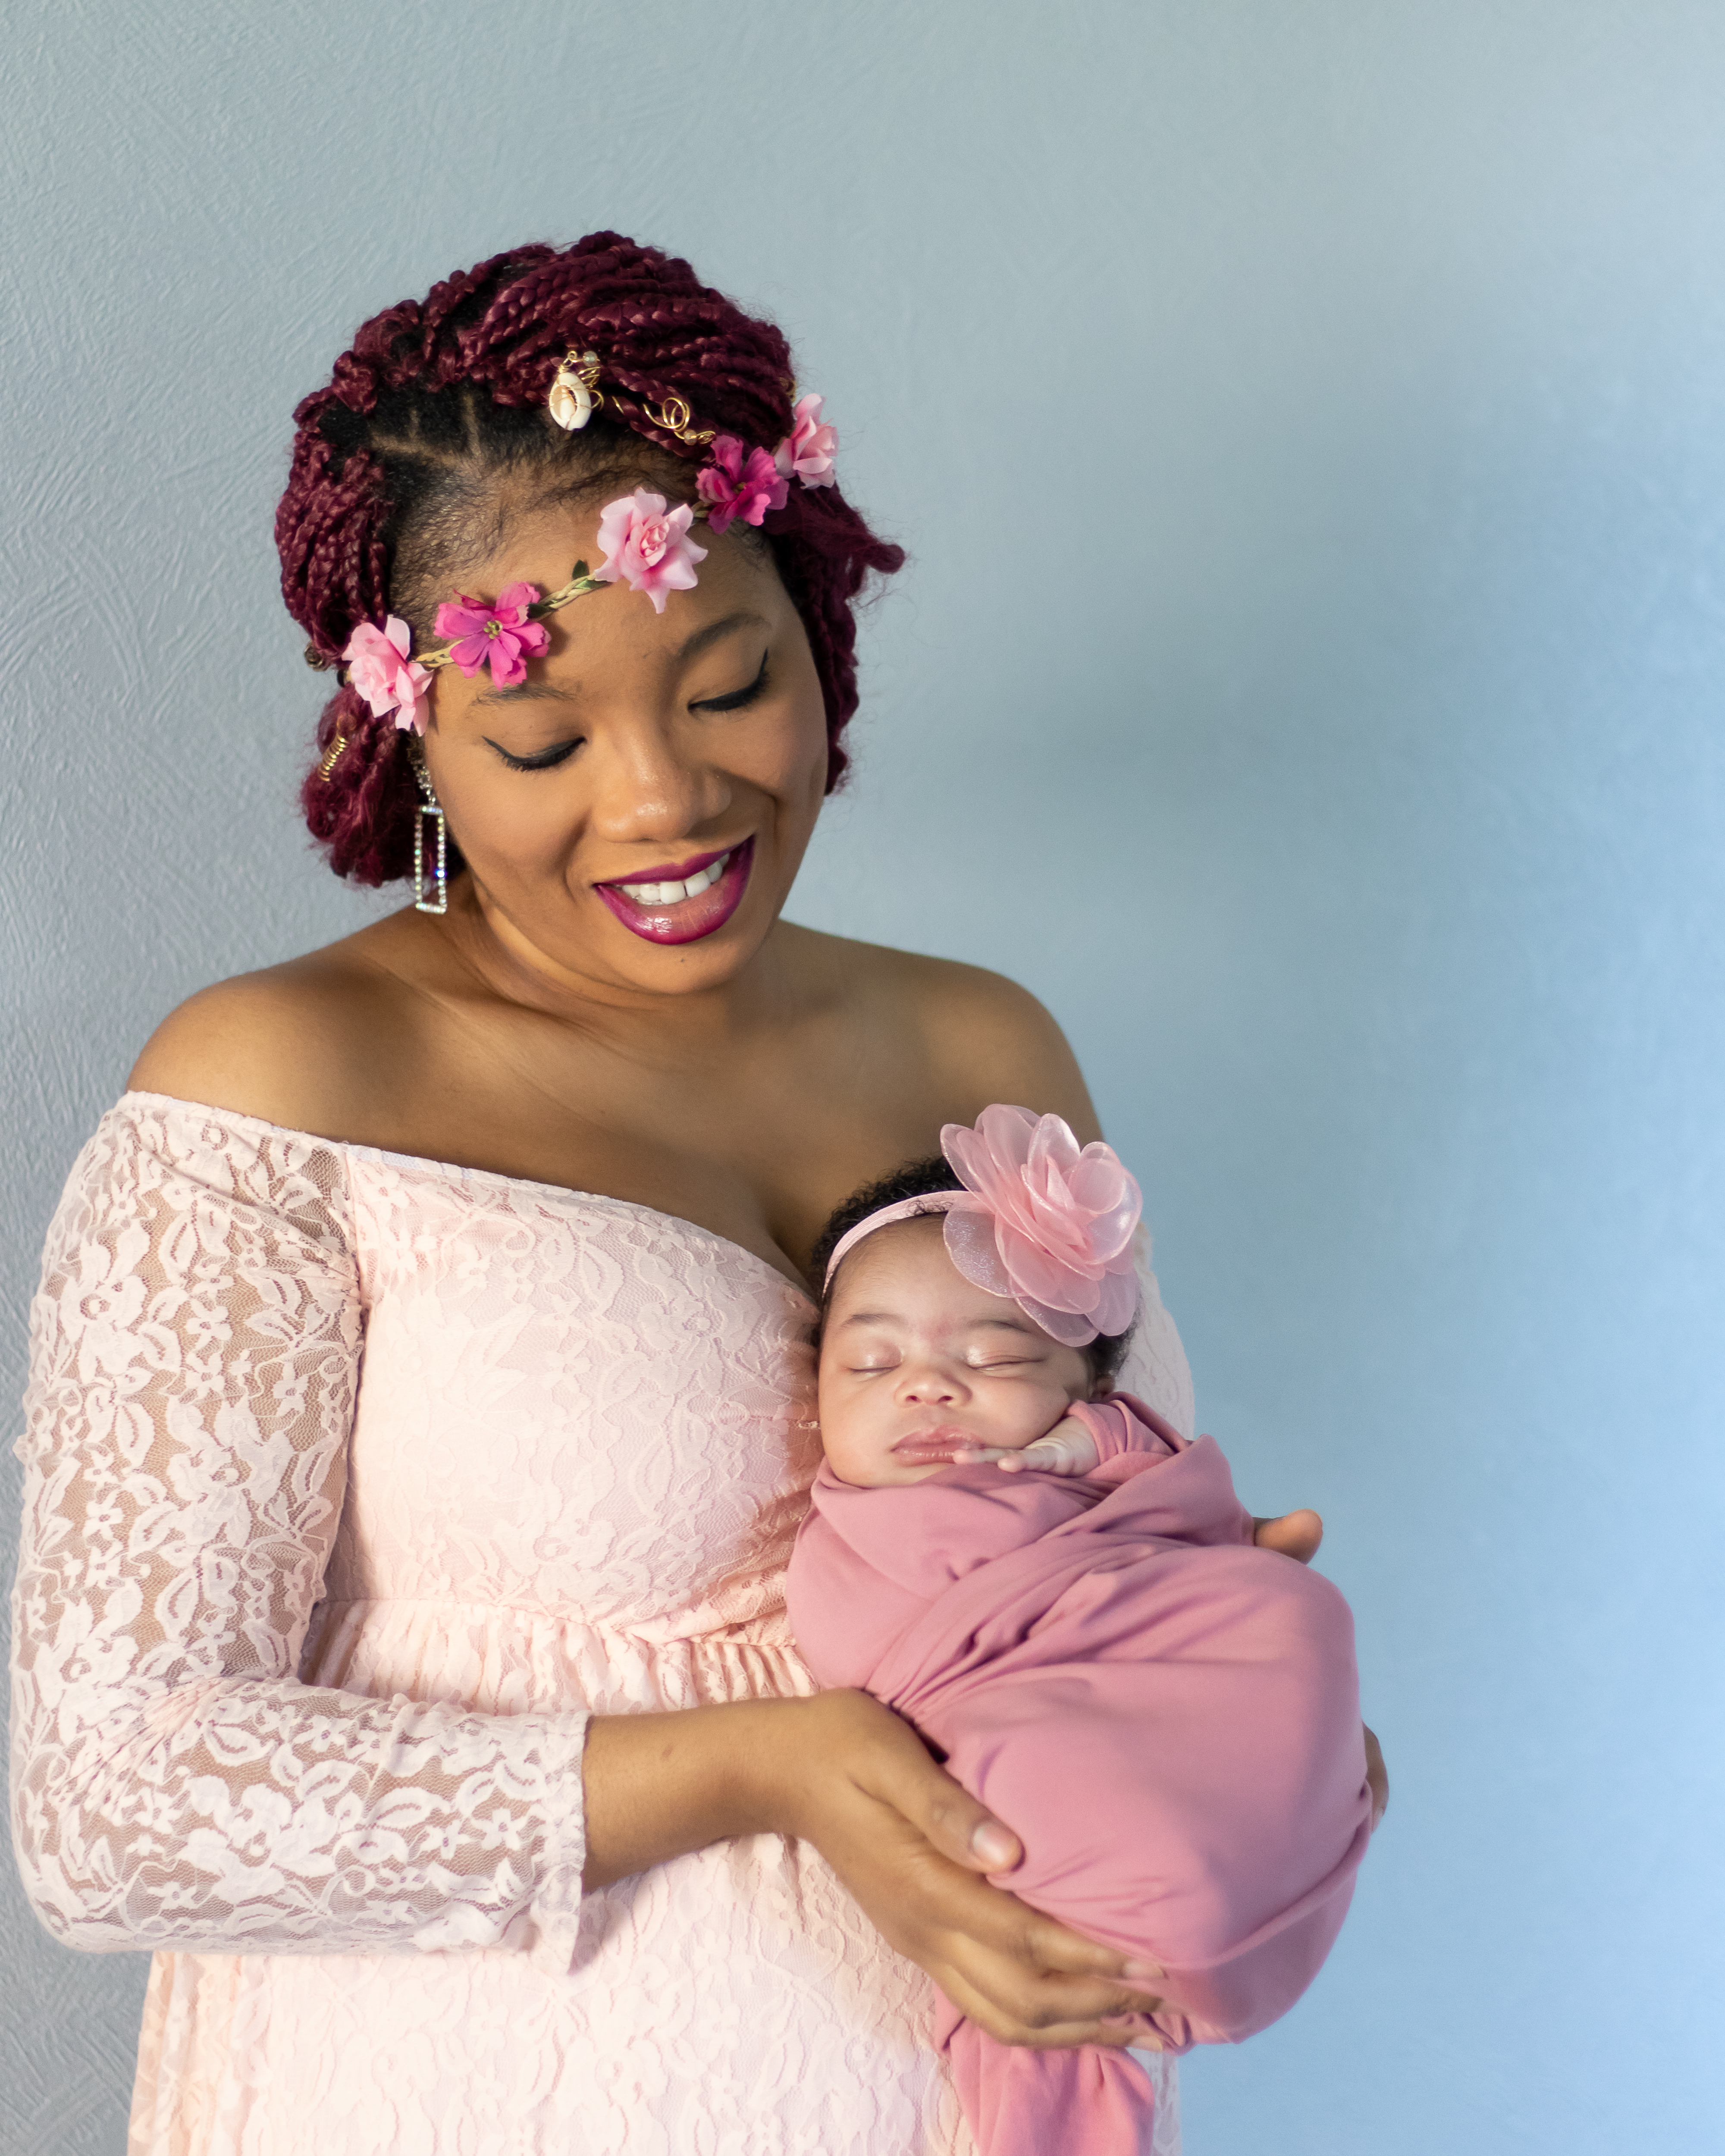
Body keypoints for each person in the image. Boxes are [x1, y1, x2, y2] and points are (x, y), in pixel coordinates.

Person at [9, 233, 1381, 2155]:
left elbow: (1120, 1538)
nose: (662, 800)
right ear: (411, 736)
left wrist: (1242, 1700)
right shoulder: (280, 1094)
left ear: (817, 635)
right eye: (544, 740)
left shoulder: (980, 1046)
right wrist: (761, 1763)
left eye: (731, 685)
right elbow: (111, 1804)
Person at [787, 1111, 1374, 2156]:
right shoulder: (845, 1528)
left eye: (994, 1354)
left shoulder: (1094, 1460)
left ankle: (1226, 1865)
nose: (928, 1385)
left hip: (1147, 1685)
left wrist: (1086, 1452)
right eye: (871, 1365)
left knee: (1298, 1609)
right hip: (1010, 1733)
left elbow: (1181, 1521)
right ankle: (1147, 1921)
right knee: (1018, 1776)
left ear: (1084, 1386)